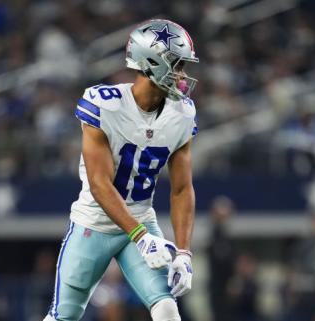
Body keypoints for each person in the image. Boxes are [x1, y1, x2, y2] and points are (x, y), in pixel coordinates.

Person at [43, 19, 199, 321]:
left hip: (141, 221)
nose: (182, 75)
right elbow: (99, 184)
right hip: (94, 225)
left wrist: (183, 252)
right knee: (64, 316)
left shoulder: (182, 113)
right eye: (177, 64)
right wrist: (142, 237)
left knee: (168, 311)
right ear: (152, 63)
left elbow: (181, 188)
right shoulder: (104, 104)